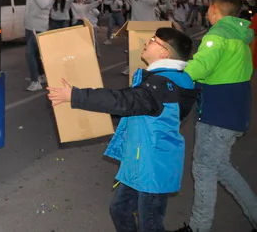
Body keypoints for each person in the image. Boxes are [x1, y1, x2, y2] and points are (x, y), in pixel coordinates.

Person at [48, 27, 197, 232]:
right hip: (140, 163)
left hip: (152, 168)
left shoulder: (161, 85)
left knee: (150, 224)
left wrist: (75, 95)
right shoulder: (169, 80)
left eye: (154, 40)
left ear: (165, 53)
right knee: (120, 209)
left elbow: (122, 101)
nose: (148, 41)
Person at [172, 0, 257, 232]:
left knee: (204, 169)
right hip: (234, 114)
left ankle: (199, 227)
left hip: (217, 116)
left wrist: (172, 70)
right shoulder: (240, 36)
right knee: (220, 167)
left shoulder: (216, 35)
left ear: (213, 9)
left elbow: (198, 68)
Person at [0, 0, 53, 91]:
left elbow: (42, 4)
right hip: (29, 28)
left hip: (39, 29)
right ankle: (41, 76)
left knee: (29, 54)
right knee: (36, 54)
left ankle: (36, 82)